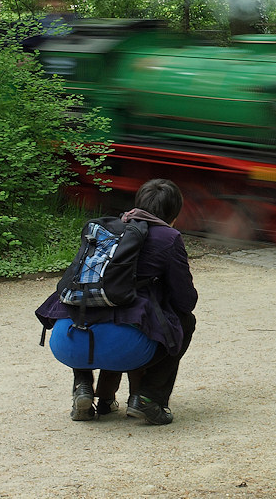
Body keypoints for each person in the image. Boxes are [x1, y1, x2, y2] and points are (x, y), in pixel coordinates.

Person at [36, 179, 198, 425]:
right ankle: (148, 398)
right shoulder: (169, 237)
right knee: (185, 321)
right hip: (126, 348)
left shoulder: (102, 229)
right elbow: (185, 301)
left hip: (65, 342)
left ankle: (82, 386)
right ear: (174, 213)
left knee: (84, 307)